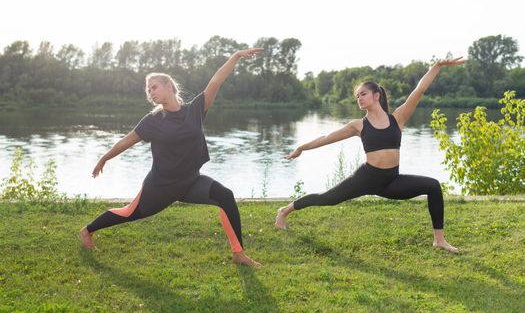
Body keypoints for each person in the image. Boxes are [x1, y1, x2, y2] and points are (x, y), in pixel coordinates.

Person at [80, 48, 263, 266]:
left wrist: (236, 57)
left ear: (169, 86)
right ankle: (87, 231)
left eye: (154, 87)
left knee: (225, 196)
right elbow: (126, 141)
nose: (151, 92)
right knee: (130, 212)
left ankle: (238, 254)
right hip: (161, 186)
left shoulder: (195, 110)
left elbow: (215, 81)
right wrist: (104, 158)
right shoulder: (153, 120)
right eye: (149, 90)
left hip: (190, 181)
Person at [275, 57, 467, 253]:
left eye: (363, 94)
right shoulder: (358, 125)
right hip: (366, 178)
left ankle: (439, 240)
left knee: (433, 186)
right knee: (327, 198)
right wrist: (301, 148)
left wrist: (437, 66)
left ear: (376, 95)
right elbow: (327, 137)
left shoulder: (398, 118)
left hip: (391, 181)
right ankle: (285, 211)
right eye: (357, 96)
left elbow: (419, 91)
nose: (359, 98)